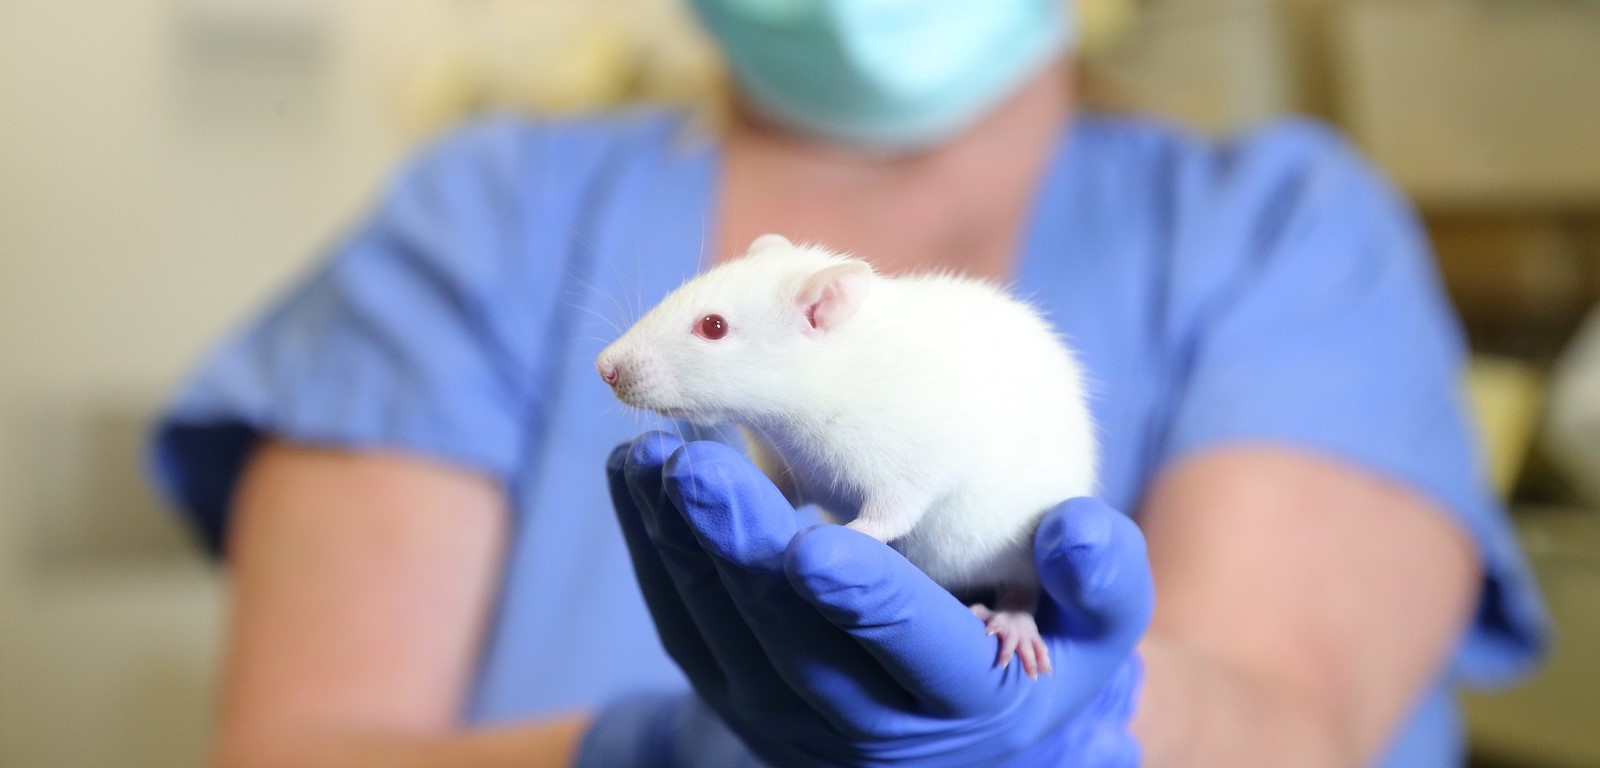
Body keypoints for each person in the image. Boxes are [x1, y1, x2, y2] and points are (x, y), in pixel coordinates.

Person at [148, 0, 1549, 765]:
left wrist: (1086, 730)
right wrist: (663, 755)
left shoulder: (1287, 230)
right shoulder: (488, 215)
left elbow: (1293, 727)